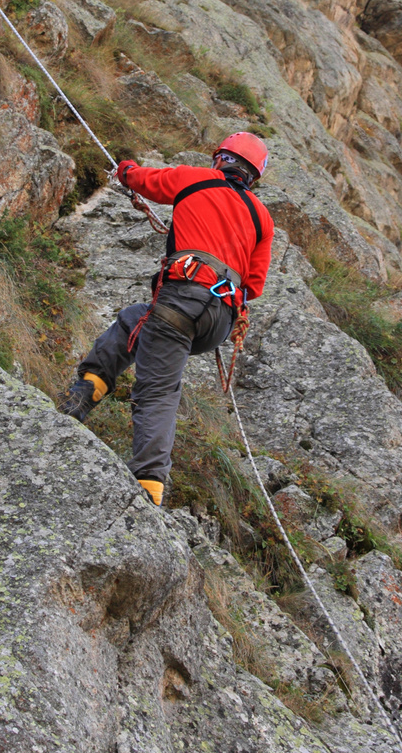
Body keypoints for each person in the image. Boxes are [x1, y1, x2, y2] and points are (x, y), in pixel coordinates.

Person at [59, 132, 275, 507]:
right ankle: (90, 385)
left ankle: (149, 485)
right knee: (134, 321)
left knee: (157, 389)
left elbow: (146, 181)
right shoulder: (262, 217)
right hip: (219, 320)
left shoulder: (196, 178)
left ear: (220, 159)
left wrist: (124, 169)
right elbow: (253, 285)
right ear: (253, 176)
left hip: (182, 298)